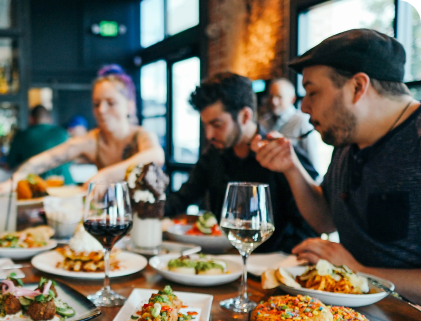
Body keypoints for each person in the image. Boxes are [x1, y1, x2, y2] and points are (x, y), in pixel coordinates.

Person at [252, 29, 421, 302]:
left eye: (312, 92)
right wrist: (291, 167)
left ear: (357, 87)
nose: (304, 107)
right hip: (356, 312)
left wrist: (358, 271)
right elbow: (325, 218)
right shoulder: (347, 140)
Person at [165, 72, 319, 253]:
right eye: (205, 125)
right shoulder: (213, 156)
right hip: (224, 262)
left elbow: (311, 225)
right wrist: (146, 205)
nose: (209, 135)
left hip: (272, 268)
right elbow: (182, 198)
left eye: (217, 125)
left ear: (245, 116)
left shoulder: (282, 156)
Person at [0, 64, 164, 192]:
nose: (101, 110)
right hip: (112, 220)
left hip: (147, 222)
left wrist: (104, 176)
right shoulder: (93, 140)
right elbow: (46, 159)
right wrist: (13, 181)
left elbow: (155, 156)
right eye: (96, 104)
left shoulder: (141, 135)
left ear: (130, 106)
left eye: (111, 103)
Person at [259, 78, 323, 171]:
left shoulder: (301, 121)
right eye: (271, 96)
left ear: (292, 99)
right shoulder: (264, 122)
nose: (274, 101)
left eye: (279, 97)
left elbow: (312, 160)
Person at [6, 105, 72, 183]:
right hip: (66, 185)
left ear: (31, 119)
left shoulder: (22, 135)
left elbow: (9, 164)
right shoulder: (63, 133)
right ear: (50, 119)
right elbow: (71, 160)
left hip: (37, 186)